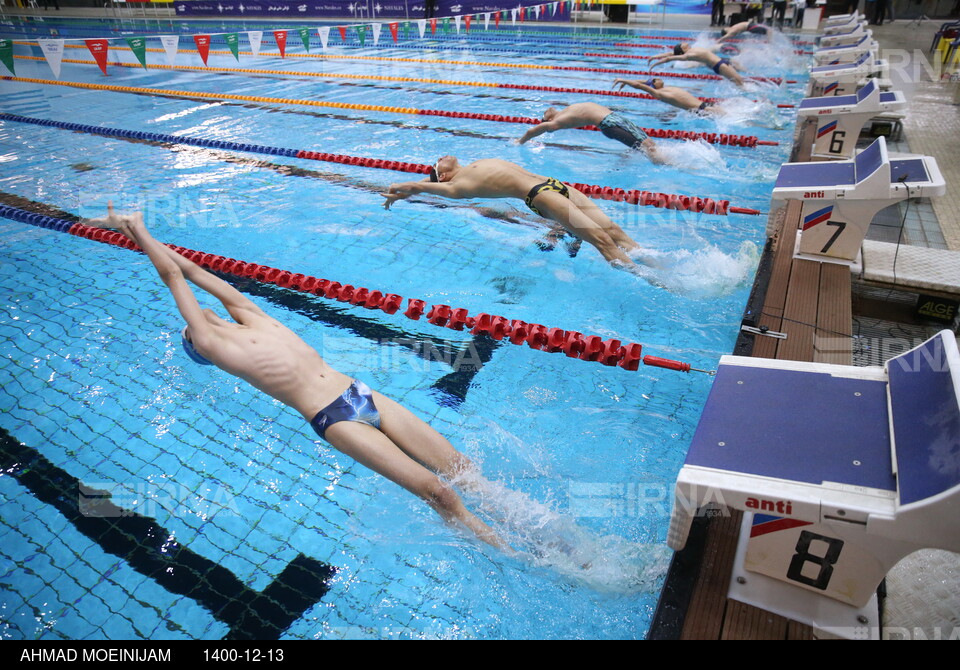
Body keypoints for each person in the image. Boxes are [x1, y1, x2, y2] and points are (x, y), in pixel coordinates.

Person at [84, 204, 506, 550]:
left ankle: (535, 525)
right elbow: (173, 277)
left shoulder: (250, 316)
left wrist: (131, 230)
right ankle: (515, 555)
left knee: (462, 469)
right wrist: (136, 229)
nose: (194, 319)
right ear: (196, 343)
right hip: (337, 420)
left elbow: (194, 271)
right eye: (190, 326)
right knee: (441, 494)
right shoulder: (214, 344)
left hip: (360, 392)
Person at [382, 156, 657, 268]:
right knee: (603, 241)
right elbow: (419, 187)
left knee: (614, 232)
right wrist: (398, 186)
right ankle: (656, 283)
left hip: (556, 186)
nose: (443, 156)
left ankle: (658, 264)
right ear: (441, 174)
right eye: (438, 160)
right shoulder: (457, 186)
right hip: (542, 196)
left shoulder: (472, 167)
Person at [516, 102, 665, 163]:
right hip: (610, 124)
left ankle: (664, 161)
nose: (547, 111)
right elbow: (532, 130)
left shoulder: (561, 111)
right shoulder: (557, 121)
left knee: (650, 144)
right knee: (649, 149)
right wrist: (520, 141)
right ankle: (670, 165)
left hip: (615, 120)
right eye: (545, 116)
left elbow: (550, 109)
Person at [612, 77, 726, 116]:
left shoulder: (665, 88)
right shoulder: (660, 93)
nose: (658, 79)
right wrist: (623, 80)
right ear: (654, 85)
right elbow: (640, 86)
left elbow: (644, 83)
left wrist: (629, 81)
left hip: (705, 106)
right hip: (704, 110)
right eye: (655, 80)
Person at [649, 43, 745, 88]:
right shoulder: (689, 55)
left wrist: (653, 57)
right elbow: (669, 58)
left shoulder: (691, 50)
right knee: (739, 83)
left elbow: (670, 54)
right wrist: (654, 65)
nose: (684, 42)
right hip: (720, 66)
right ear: (683, 49)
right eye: (682, 44)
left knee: (740, 81)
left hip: (722, 63)